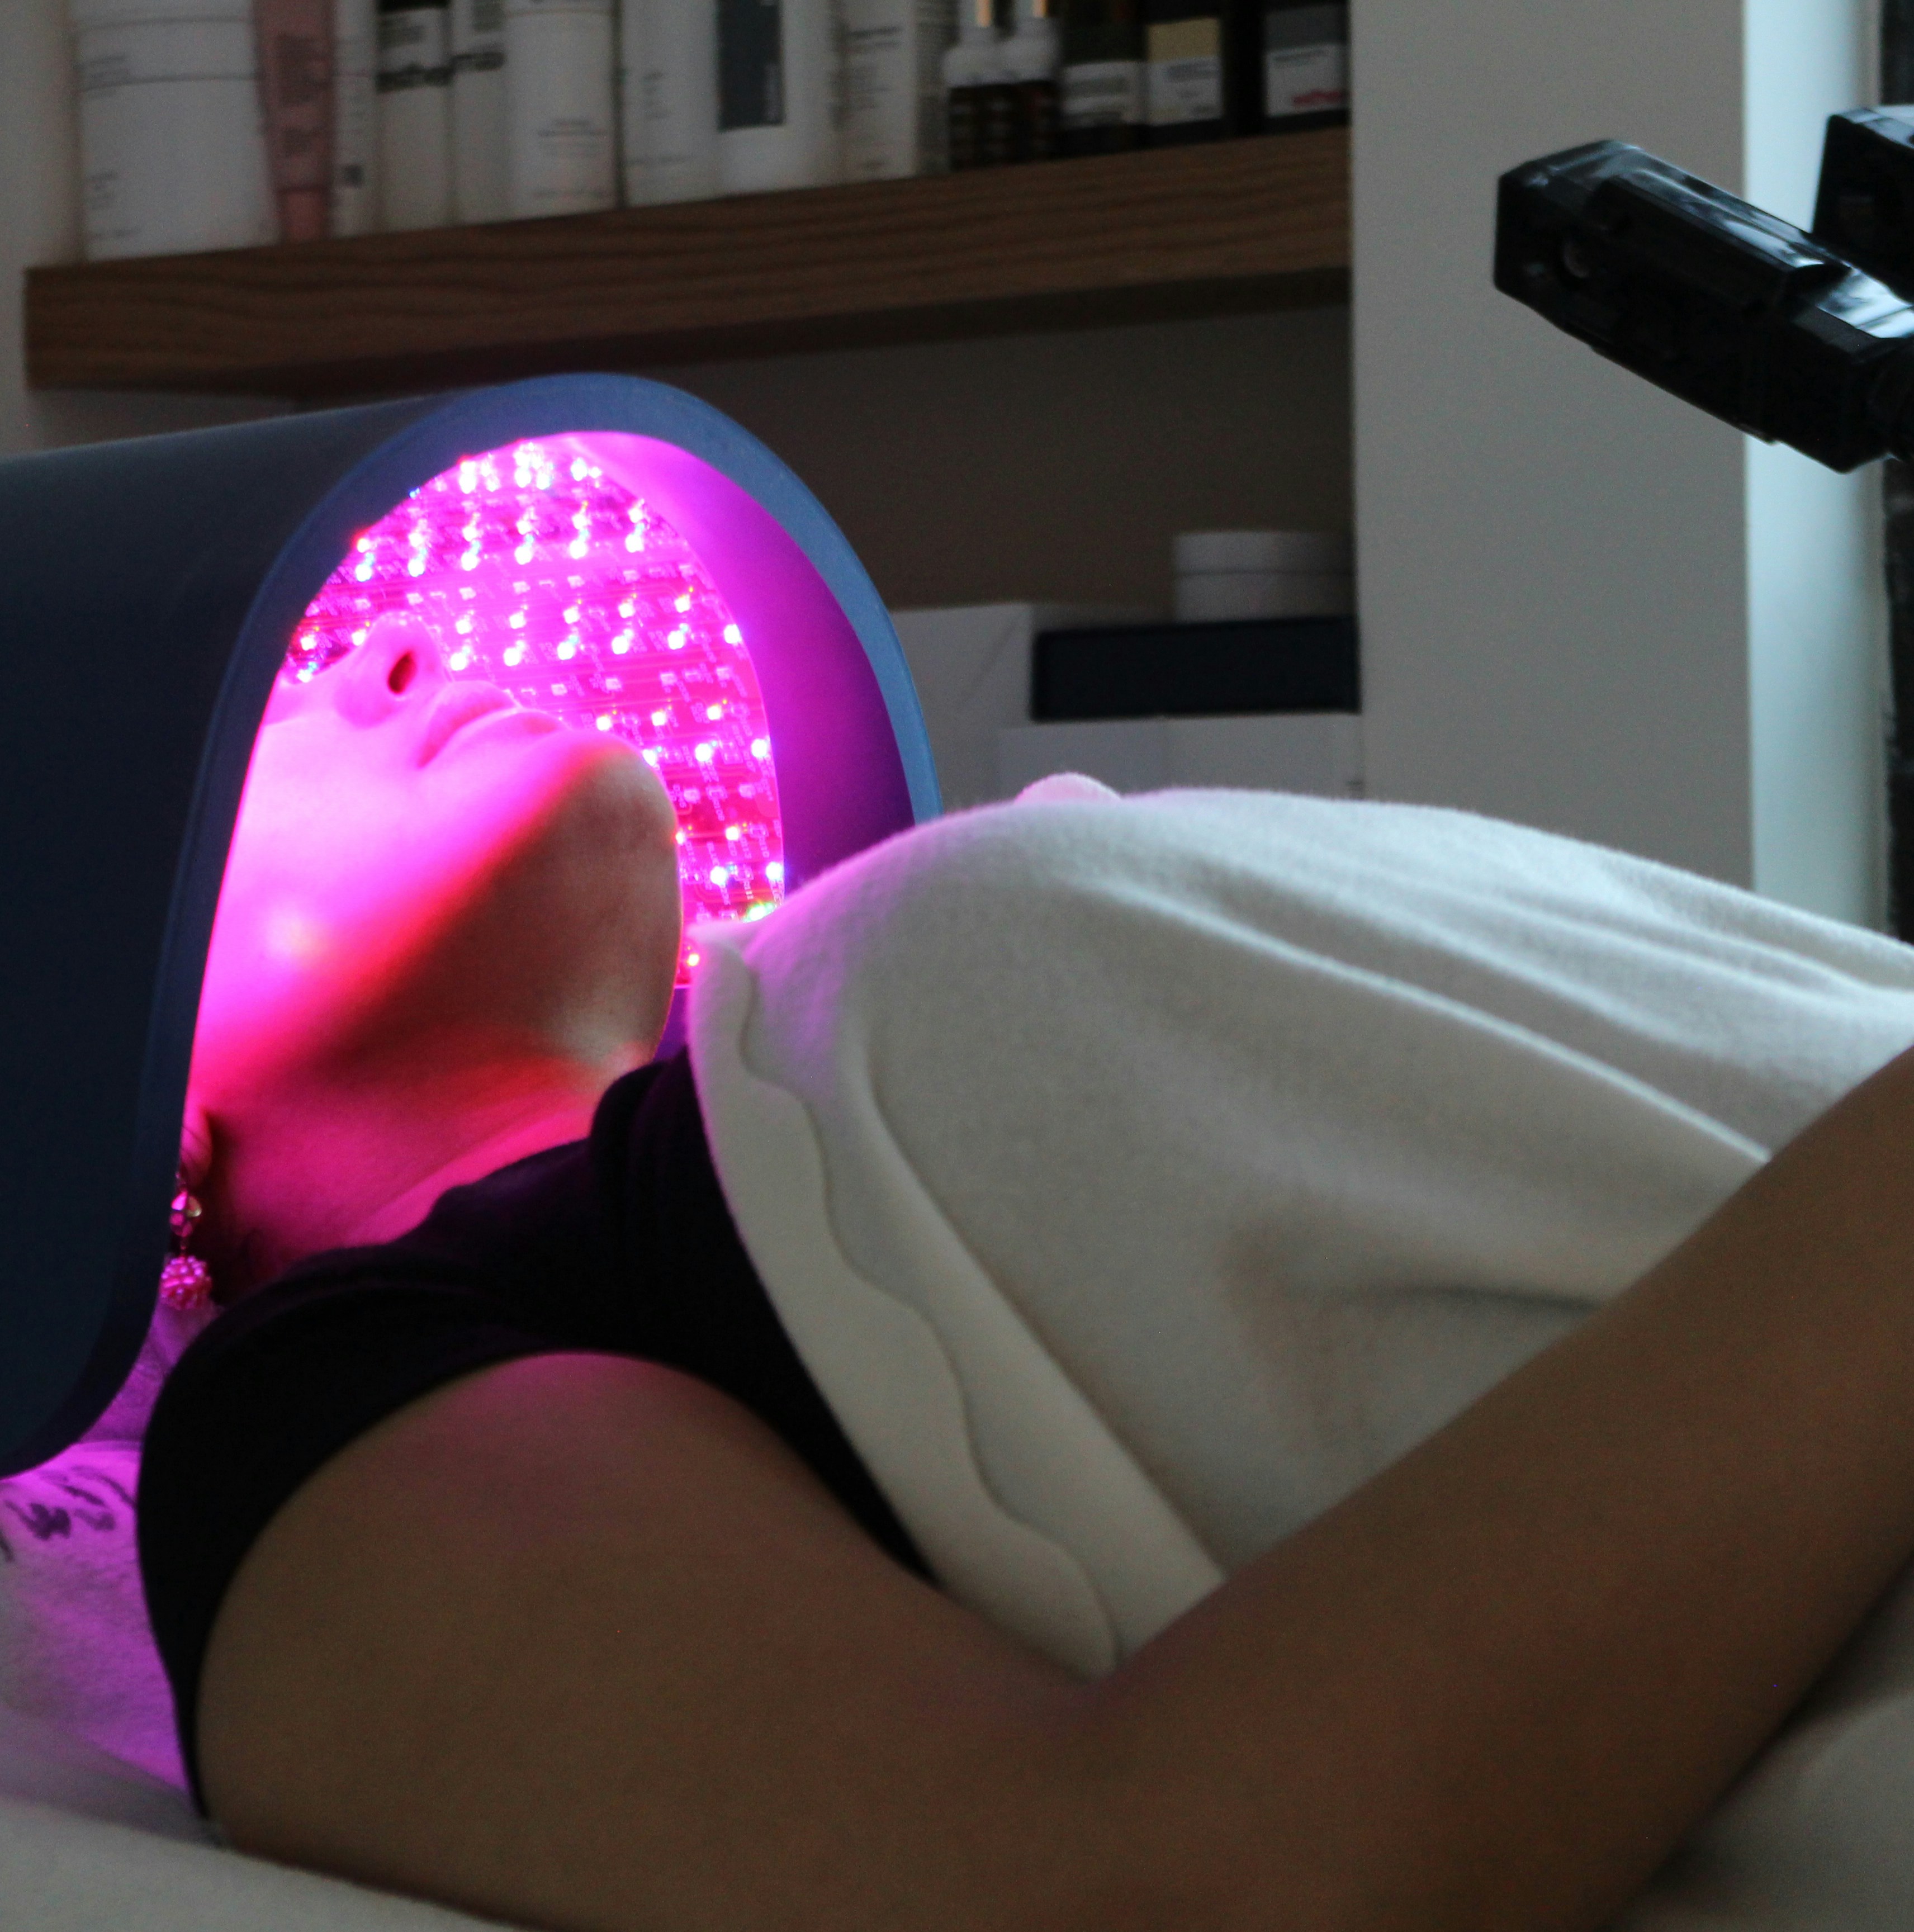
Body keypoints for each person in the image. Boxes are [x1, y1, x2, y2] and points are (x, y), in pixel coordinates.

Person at [137, 610, 1914, 1932]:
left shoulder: (783, 1058)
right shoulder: (327, 1403)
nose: (390, 641)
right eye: (262, 713)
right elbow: (1145, 1885)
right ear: (114, 1084)